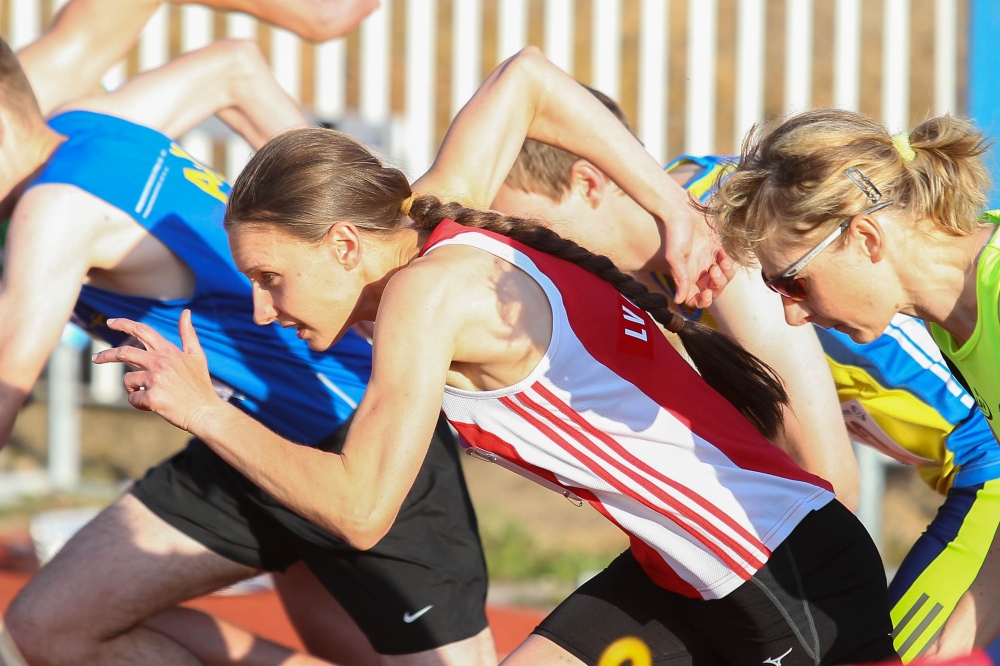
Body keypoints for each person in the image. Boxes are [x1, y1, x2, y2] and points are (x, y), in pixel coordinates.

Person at [95, 47, 897, 665]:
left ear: (343, 245)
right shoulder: (435, 210)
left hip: (778, 567)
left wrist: (205, 411)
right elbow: (528, 79)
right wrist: (670, 208)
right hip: (677, 572)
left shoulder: (427, 294)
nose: (263, 310)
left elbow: (361, 511)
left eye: (271, 278)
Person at [0, 38, 494, 666]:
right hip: (241, 440)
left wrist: (344, 236)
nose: (265, 303)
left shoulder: (56, 209)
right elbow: (232, 67)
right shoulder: (84, 127)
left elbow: (6, 384)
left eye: (271, 280)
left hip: (354, 433)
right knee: (49, 626)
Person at [649, 153, 1000, 663]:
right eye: (774, 289)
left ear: (866, 238)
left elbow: (832, 480)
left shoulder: (983, 291)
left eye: (792, 283)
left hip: (980, 473)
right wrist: (954, 643)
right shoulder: (951, 315)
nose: (791, 315)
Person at [491, 96, 858, 508]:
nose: (510, 247)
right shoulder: (654, 251)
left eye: (517, 225)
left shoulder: (721, 239)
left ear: (587, 183)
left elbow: (830, 484)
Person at [19, 0, 379, 116]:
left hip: (32, 114)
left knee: (232, 68)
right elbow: (324, 19)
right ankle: (335, 196)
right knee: (234, 67)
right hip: (28, 123)